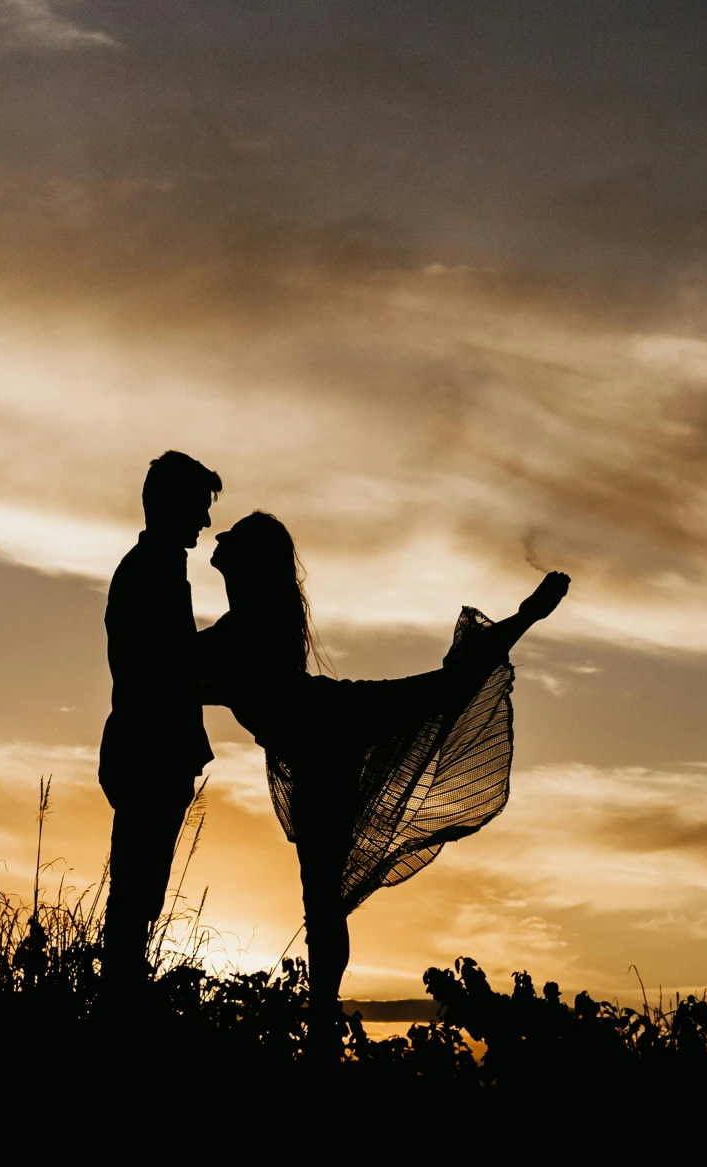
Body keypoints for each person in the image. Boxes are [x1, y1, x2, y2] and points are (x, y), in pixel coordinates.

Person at [202, 511, 568, 1056]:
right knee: (323, 904)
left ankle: (323, 1022)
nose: (217, 540)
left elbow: (188, 673)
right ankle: (323, 1019)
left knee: (443, 691)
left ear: (247, 564)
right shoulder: (250, 627)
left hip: (328, 728)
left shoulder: (245, 632)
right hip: (324, 736)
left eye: (231, 542)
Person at [99, 450, 223, 988]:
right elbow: (164, 671)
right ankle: (120, 1002)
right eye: (199, 505)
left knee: (140, 894)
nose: (206, 520)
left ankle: (124, 992)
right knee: (135, 897)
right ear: (171, 505)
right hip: (149, 753)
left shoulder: (160, 569)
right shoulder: (151, 573)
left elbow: (172, 665)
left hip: (150, 751)